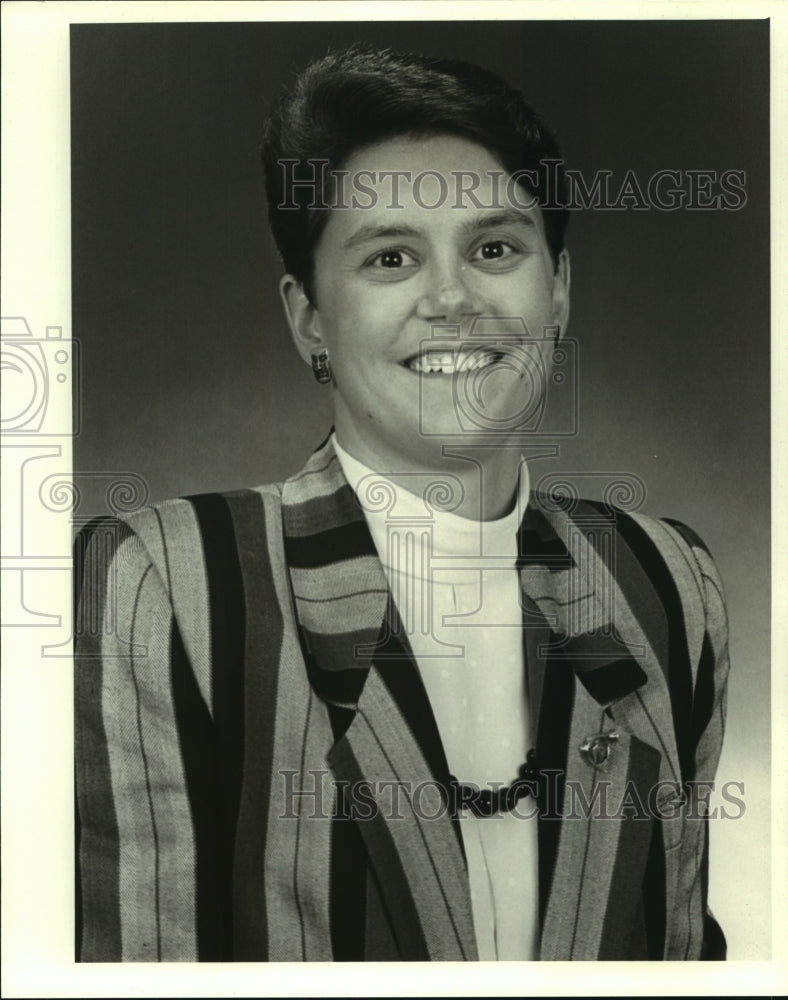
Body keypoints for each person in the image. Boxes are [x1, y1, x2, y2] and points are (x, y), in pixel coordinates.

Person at [74, 44, 730, 962]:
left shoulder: (667, 582)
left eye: (496, 248)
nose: (453, 298)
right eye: (390, 258)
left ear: (560, 288)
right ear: (309, 318)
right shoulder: (171, 586)